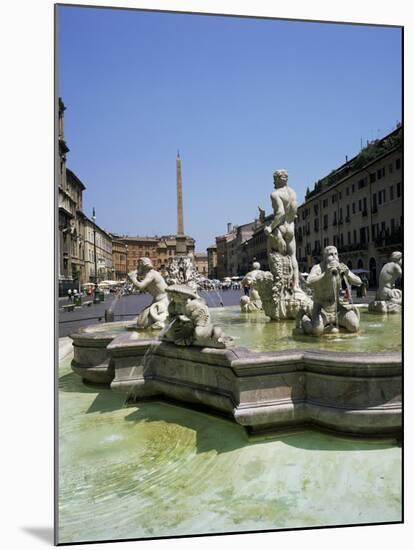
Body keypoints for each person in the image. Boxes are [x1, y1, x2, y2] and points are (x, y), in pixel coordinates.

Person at [300, 246, 363, 334]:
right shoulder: (318, 268)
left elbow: (359, 282)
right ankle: (305, 319)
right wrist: (325, 274)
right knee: (317, 331)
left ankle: (335, 325)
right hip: (321, 310)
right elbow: (309, 282)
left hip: (337, 310)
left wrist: (347, 273)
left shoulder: (341, 267)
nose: (334, 257)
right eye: (330, 254)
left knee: (354, 326)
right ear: (324, 257)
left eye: (335, 254)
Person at [263, 170, 299, 289]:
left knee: (271, 254)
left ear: (278, 179)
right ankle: (296, 286)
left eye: (274, 179)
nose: (273, 182)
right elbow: (294, 212)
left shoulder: (275, 194)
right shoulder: (293, 192)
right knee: (292, 257)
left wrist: (270, 227)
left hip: (280, 228)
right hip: (291, 227)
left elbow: (280, 213)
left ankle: (278, 285)